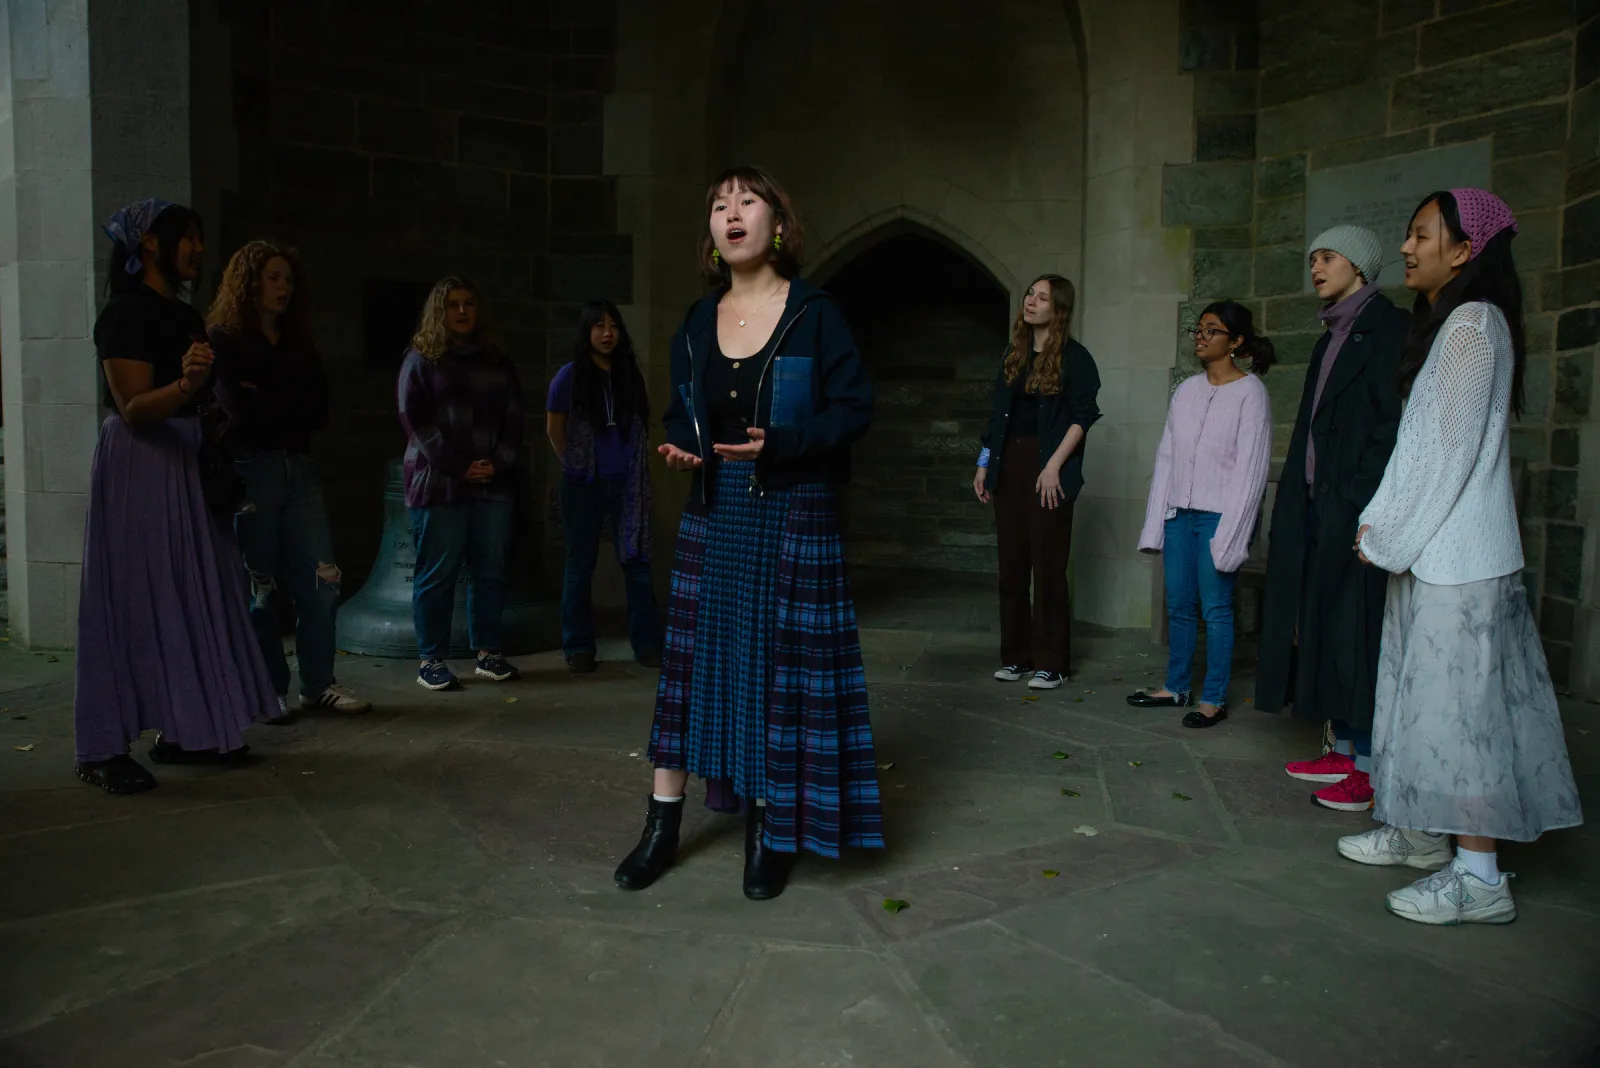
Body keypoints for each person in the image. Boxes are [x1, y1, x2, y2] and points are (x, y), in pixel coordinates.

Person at [612, 165, 884, 901]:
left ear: (778, 225)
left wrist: (785, 445)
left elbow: (854, 409)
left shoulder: (816, 313)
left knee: (774, 670)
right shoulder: (699, 322)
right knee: (692, 667)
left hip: (794, 507)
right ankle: (662, 824)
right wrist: (684, 443)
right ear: (712, 233)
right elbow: (679, 410)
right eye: (719, 205)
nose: (731, 213)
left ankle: (769, 829)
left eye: (748, 201)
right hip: (716, 507)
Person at [1341, 189, 1582, 925]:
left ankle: (1480, 878)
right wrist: (1387, 530)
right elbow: (1423, 450)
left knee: (1462, 719)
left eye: (1420, 235)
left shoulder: (1473, 326)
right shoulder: (1454, 325)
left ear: (1464, 249)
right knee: (1420, 705)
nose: (1407, 248)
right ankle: (1419, 832)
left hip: (1458, 560)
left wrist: (1383, 534)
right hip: (1433, 555)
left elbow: (1445, 457)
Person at [73, 199, 279, 793]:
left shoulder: (184, 316)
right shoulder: (124, 315)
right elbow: (134, 410)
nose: (198, 249)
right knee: (133, 600)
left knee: (196, 594)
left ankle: (186, 731)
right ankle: (103, 747)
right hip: (141, 465)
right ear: (151, 246)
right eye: (187, 238)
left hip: (187, 463)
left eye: (199, 237)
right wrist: (186, 383)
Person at [1255, 227, 1407, 812]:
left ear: (1361, 266)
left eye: (1328, 257)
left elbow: (1387, 426)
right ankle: (1341, 749)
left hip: (1358, 510)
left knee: (1358, 632)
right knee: (1323, 625)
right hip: (1318, 506)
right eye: (1311, 258)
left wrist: (1353, 500)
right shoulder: (1329, 336)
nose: (1315, 267)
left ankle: (1367, 767)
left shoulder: (1388, 328)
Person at [208, 241, 371, 723]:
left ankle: (318, 683)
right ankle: (268, 688)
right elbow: (237, 410)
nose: (283, 287)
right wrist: (277, 402)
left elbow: (317, 411)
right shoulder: (225, 340)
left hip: (299, 468)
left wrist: (266, 399)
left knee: (322, 581)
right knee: (260, 586)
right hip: (249, 470)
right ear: (250, 281)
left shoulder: (299, 344)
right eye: (273, 277)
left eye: (288, 279)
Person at [1127, 301, 1274, 728]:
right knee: (1180, 606)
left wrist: (1231, 535)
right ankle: (1176, 687)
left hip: (1217, 518)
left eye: (1212, 330)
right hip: (1179, 516)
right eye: (1199, 329)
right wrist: (1158, 521)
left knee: (1217, 608)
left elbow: (1250, 471)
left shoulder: (1251, 394)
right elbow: (1167, 458)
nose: (1201, 337)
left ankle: (1212, 698)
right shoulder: (1186, 390)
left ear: (1237, 341)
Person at [396, 277, 525, 691]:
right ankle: (430, 659)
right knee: (437, 573)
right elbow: (416, 421)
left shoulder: (496, 361)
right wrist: (459, 466)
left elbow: (514, 419)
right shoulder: (422, 359)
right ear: (440, 311)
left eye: (470, 303)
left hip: (492, 483)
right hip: (440, 483)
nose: (463, 311)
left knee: (491, 571)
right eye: (453, 305)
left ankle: (488, 653)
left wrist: (496, 465)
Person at [972, 275, 1101, 690]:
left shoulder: (1076, 358)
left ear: (1057, 308)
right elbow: (996, 419)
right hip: (1007, 465)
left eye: (1042, 297)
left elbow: (1083, 417)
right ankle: (1016, 657)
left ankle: (1052, 663)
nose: (1031, 301)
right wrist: (984, 463)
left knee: (1047, 568)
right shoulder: (1014, 353)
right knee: (1011, 568)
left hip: (1050, 469)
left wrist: (1053, 467)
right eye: (1030, 293)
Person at [546, 300, 661, 674]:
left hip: (628, 484)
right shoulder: (570, 376)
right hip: (584, 485)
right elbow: (555, 427)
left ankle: (646, 645)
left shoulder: (629, 375)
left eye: (613, 326)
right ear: (587, 332)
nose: (607, 333)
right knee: (580, 565)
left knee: (637, 565)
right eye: (599, 326)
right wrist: (574, 465)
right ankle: (578, 646)